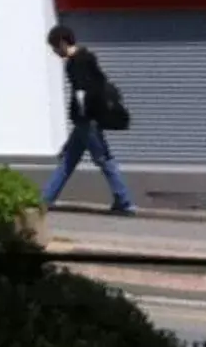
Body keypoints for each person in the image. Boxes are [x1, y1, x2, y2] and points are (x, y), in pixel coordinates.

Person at [40, 23, 136, 214]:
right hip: (88, 120)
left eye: (54, 47)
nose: (54, 52)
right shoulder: (88, 57)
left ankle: (125, 202)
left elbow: (82, 92)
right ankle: (45, 199)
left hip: (87, 121)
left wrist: (84, 116)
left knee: (103, 159)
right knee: (69, 159)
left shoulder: (76, 62)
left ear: (62, 42)